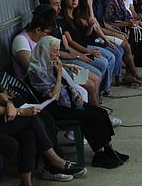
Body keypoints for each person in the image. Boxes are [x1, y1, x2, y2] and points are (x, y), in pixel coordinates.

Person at [0, 35, 86, 186]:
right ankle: (54, 160)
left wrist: (10, 104)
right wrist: (20, 111)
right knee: (30, 118)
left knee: (29, 133)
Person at [28, 36, 128, 169]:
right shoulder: (36, 71)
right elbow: (54, 96)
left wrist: (67, 66)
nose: (58, 54)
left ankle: (108, 148)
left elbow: (58, 70)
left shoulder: (48, 63)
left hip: (67, 103)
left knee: (101, 113)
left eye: (58, 51)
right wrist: (59, 74)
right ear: (45, 51)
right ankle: (99, 154)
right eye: (55, 51)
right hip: (54, 109)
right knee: (92, 117)